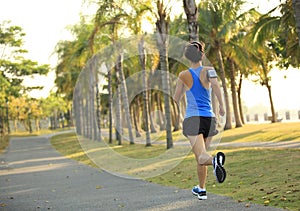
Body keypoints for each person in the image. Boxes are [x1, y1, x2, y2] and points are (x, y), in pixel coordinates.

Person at [173, 41, 226, 200]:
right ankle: (201, 189)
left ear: (187, 57)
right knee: (200, 156)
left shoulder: (183, 75)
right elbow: (216, 87)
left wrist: (183, 89)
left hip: (193, 119)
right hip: (209, 119)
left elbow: (176, 98)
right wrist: (221, 106)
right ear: (202, 55)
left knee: (203, 157)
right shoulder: (210, 71)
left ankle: (216, 160)